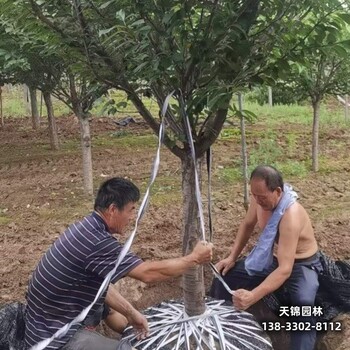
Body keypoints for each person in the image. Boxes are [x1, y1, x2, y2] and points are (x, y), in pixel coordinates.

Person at [25, 177, 213, 350]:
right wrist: (194, 259)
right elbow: (147, 273)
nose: (133, 217)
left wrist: (131, 314)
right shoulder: (97, 242)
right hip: (53, 338)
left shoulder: (86, 227)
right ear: (113, 209)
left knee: (102, 307)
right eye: (131, 209)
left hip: (45, 321)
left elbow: (102, 286)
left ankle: (120, 330)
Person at [210, 165, 322, 350]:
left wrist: (253, 296)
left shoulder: (291, 215)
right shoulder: (259, 198)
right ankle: (221, 329)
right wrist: (232, 257)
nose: (257, 200)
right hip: (275, 258)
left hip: (301, 264)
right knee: (225, 276)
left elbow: (285, 269)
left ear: (277, 191)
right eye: (254, 195)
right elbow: (247, 224)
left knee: (303, 309)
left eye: (262, 197)